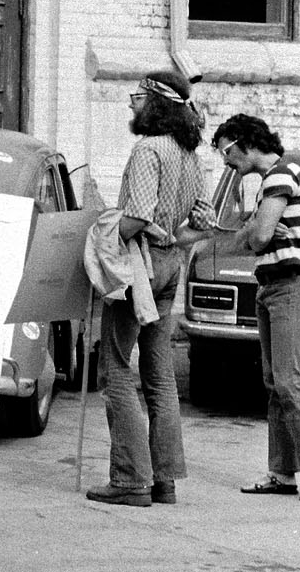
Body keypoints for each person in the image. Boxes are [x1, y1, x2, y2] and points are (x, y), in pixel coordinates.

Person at [195, 114, 300, 505]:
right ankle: (283, 472)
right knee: (276, 384)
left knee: (289, 381)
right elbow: (255, 236)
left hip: (291, 285)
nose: (226, 162)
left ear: (243, 141)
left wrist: (260, 230)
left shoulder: (278, 175)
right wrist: (259, 230)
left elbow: (256, 237)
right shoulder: (273, 180)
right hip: (273, 286)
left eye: (225, 151)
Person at [88, 69, 209, 508]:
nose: (130, 104)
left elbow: (136, 216)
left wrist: (103, 242)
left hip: (139, 262)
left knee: (115, 370)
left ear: (155, 102)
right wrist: (173, 240)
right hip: (169, 262)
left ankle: (129, 480)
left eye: (136, 97)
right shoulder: (189, 152)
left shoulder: (148, 150)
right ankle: (165, 481)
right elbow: (203, 221)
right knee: (160, 377)